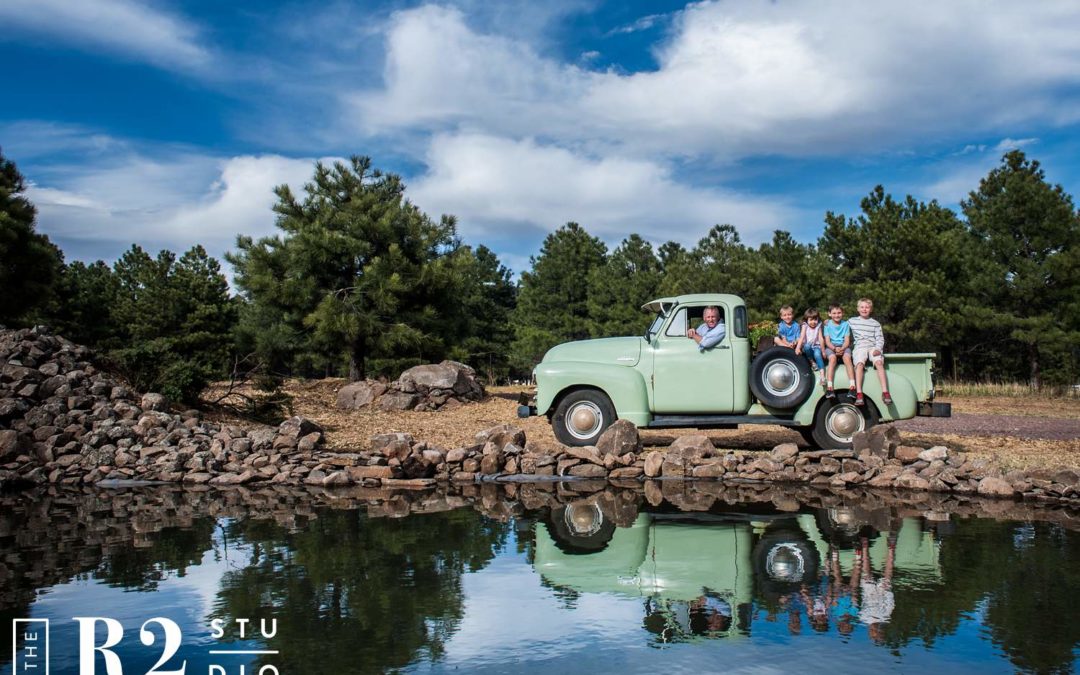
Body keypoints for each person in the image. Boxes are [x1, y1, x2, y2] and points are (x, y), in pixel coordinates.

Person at [848, 298, 893, 406]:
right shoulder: (852, 321)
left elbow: (880, 338)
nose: (864, 309)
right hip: (860, 346)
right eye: (862, 307)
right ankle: (859, 393)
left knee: (879, 363)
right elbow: (840, 326)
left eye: (867, 307)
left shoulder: (875, 323)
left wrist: (878, 349)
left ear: (871, 309)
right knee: (859, 364)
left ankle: (885, 392)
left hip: (873, 347)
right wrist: (828, 322)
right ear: (858, 309)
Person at [823, 303, 855, 400]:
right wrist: (834, 348)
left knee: (847, 358)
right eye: (834, 313)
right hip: (831, 347)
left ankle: (853, 386)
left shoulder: (845, 324)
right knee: (832, 359)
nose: (837, 315)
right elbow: (827, 341)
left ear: (842, 313)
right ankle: (829, 388)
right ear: (829, 314)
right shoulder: (827, 325)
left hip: (843, 346)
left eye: (839, 313)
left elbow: (847, 340)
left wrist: (842, 348)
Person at [797, 308, 826, 386]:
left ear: (818, 319)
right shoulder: (805, 325)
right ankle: (812, 362)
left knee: (817, 354)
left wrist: (823, 351)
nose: (813, 322)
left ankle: (822, 376)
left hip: (817, 346)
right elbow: (802, 336)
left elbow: (820, 338)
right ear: (806, 320)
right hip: (808, 347)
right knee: (806, 346)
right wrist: (798, 348)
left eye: (815, 319)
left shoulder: (818, 326)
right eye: (811, 320)